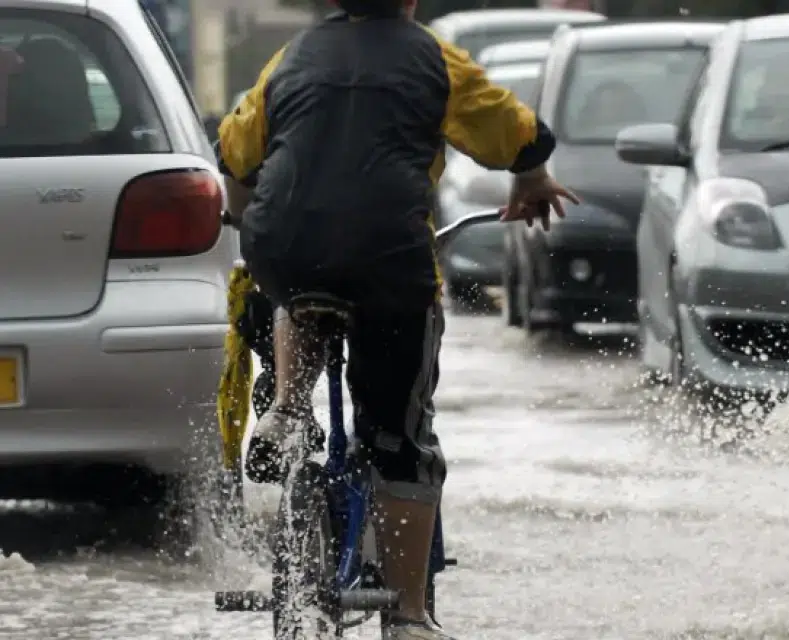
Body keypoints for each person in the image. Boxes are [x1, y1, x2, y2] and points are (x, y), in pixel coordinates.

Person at [214, 0, 578, 637]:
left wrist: (247, 214)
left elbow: (235, 151)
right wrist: (533, 177)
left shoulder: (290, 57)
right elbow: (510, 129)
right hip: (388, 253)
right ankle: (408, 616)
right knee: (399, 442)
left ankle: (288, 407)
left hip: (284, 241)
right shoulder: (430, 55)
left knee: (295, 283)